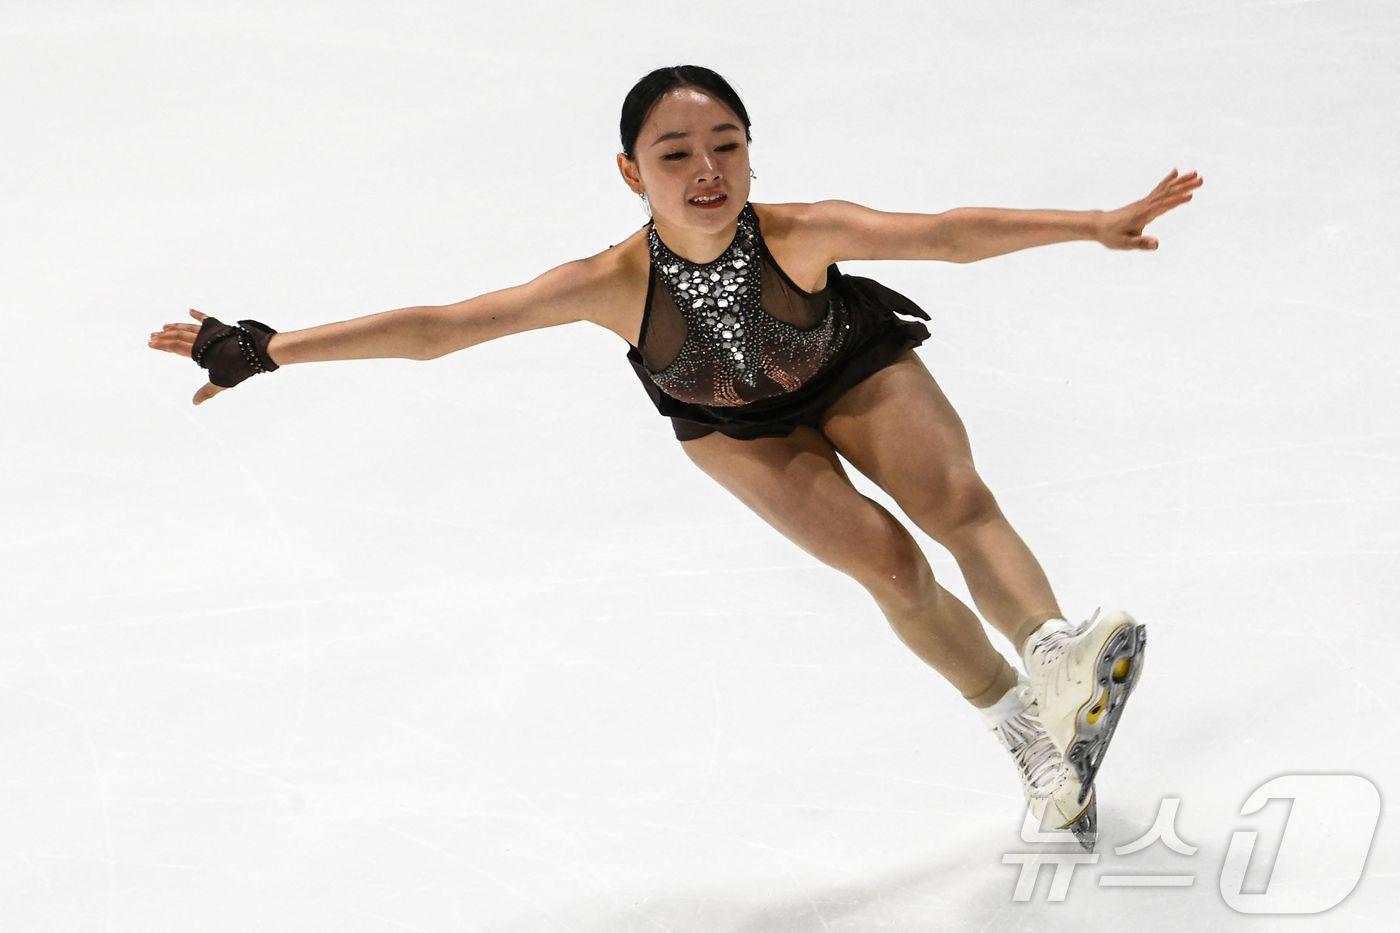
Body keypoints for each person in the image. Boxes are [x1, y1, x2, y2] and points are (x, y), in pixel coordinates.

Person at [147, 64, 1201, 850]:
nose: (707, 173)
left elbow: (943, 233)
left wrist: (1091, 224)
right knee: (887, 567)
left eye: (726, 146)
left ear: (750, 150)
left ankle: (1052, 653)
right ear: (628, 170)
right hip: (733, 430)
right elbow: (440, 328)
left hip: (852, 367)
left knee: (955, 500)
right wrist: (269, 349)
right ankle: (1021, 728)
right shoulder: (607, 282)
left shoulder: (798, 231)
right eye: (676, 154)